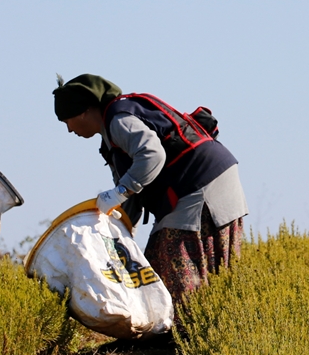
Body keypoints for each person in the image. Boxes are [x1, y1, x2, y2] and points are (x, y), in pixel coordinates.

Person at [53, 74, 247, 304]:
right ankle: (198, 323)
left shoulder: (118, 120)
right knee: (161, 263)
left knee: (170, 273)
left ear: (84, 111)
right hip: (212, 182)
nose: (69, 130)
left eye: (67, 121)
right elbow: (132, 192)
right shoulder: (111, 135)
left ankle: (183, 326)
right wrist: (121, 232)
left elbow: (152, 154)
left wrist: (120, 192)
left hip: (199, 187)